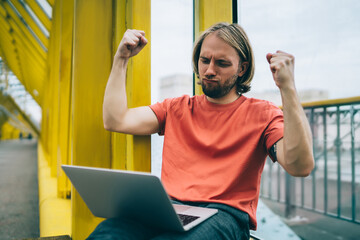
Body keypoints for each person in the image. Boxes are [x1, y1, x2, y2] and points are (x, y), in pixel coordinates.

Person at [88, 22, 314, 239]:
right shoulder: (176, 108)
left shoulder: (263, 113)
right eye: (204, 60)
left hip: (225, 215)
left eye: (222, 63)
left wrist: (287, 87)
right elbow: (116, 120)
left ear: (242, 68)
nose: (209, 70)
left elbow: (300, 165)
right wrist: (121, 58)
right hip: (169, 208)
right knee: (108, 233)